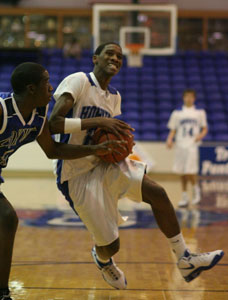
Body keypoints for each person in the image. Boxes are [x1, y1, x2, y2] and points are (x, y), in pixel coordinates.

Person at [49, 43, 223, 290]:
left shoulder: (115, 97)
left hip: (102, 162)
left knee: (158, 193)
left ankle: (185, 258)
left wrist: (117, 144)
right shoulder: (79, 81)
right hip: (74, 173)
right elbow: (54, 123)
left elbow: (104, 134)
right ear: (95, 58)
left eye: (120, 56)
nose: (115, 58)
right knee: (111, 246)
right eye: (110, 53)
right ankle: (103, 259)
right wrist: (98, 122)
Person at [0, 62, 124, 300]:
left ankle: (3, 292)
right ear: (31, 89)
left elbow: (53, 149)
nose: (51, 87)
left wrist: (95, 149)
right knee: (6, 218)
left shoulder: (38, 117)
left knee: (6, 220)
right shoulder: (2, 109)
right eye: (46, 82)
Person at [166, 89, 208, 207]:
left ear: (194, 98)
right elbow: (173, 129)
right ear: (183, 98)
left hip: (192, 145)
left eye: (191, 97)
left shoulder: (199, 112)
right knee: (182, 172)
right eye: (186, 96)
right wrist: (169, 139)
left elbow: (204, 128)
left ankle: (196, 191)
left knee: (190, 170)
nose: (189, 99)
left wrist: (199, 136)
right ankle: (184, 196)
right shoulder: (177, 113)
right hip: (180, 144)